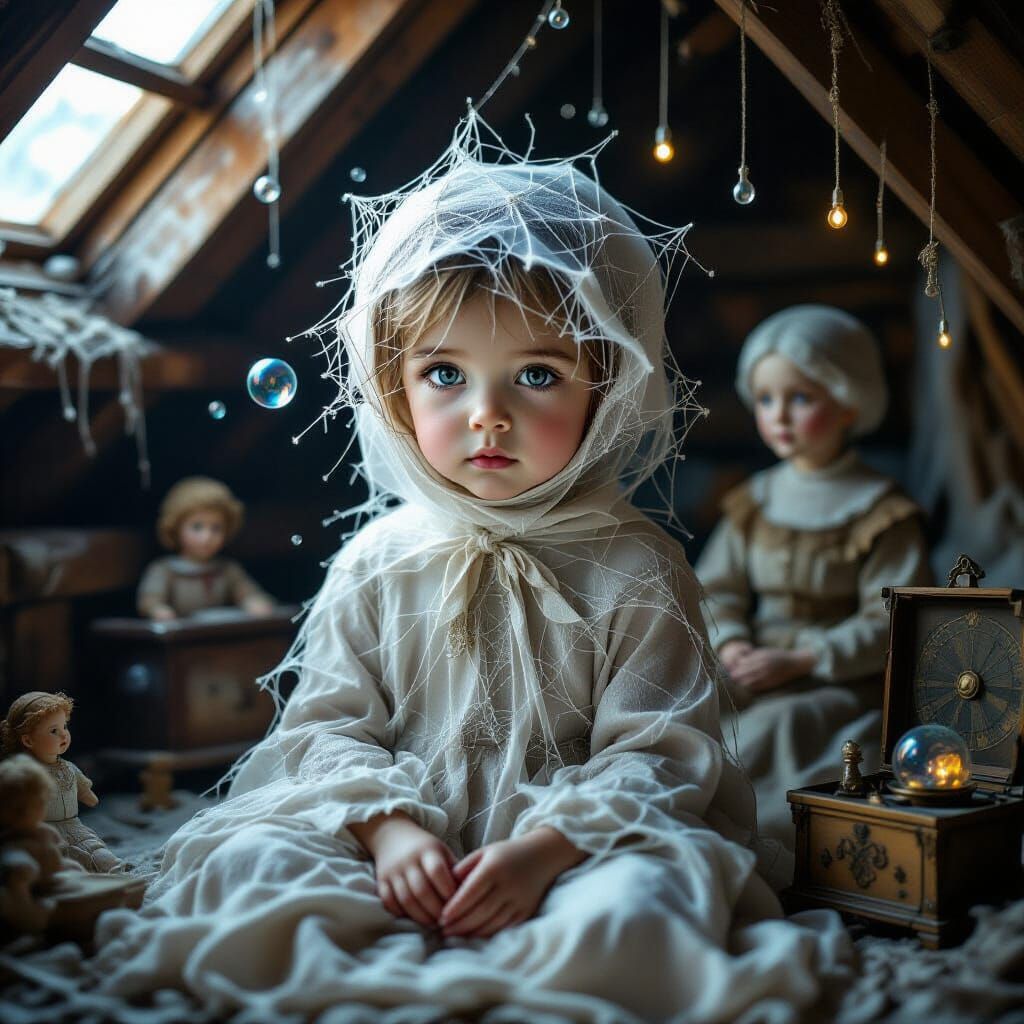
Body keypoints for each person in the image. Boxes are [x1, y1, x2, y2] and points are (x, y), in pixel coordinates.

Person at [27, 117, 851, 1023]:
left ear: (605, 384)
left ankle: (550, 932)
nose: (485, 417)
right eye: (446, 375)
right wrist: (385, 832)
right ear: (393, 385)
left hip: (581, 846)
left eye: (535, 376)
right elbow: (328, 725)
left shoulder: (637, 564)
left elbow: (662, 751)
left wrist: (547, 849)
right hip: (393, 839)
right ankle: (382, 916)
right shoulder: (378, 559)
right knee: (251, 868)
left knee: (642, 910)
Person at [696, 305, 932, 850]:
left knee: (783, 724)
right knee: (697, 707)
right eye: (765, 399)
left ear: (849, 403)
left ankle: (764, 844)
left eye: (801, 398)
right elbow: (716, 591)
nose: (779, 416)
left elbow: (892, 619)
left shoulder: (881, 510)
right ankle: (687, 825)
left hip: (837, 681)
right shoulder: (754, 501)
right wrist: (731, 644)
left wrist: (804, 659)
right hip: (756, 663)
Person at [0, 692, 124, 872]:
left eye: (64, 726)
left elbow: (84, 790)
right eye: (54, 731)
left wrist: (88, 795)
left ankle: (109, 866)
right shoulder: (27, 771)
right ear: (28, 740)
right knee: (53, 858)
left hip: (74, 825)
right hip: (43, 828)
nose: (64, 735)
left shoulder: (69, 767)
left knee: (95, 849)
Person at [136, 476, 276, 621]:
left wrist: (254, 602)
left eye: (216, 528)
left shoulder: (227, 570)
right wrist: (158, 610)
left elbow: (248, 592)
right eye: (197, 527)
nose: (207, 537)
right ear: (176, 527)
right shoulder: (165, 570)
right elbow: (150, 600)